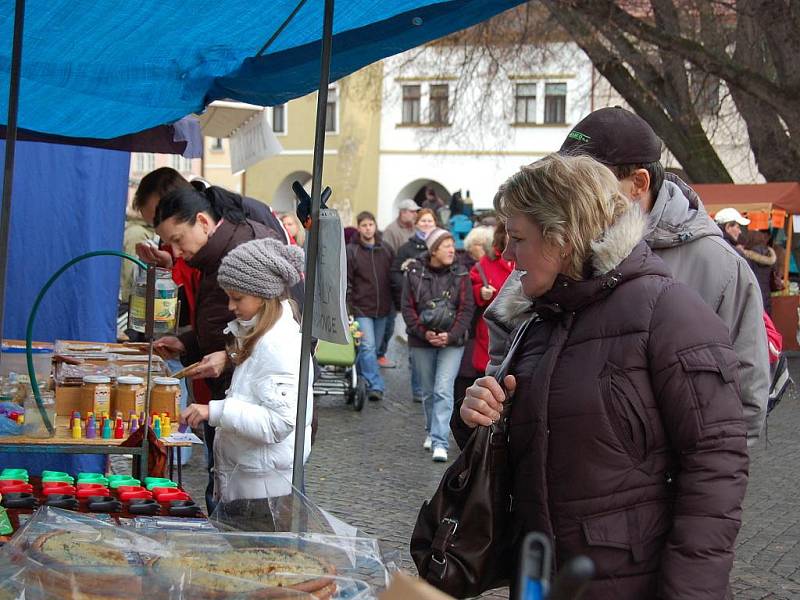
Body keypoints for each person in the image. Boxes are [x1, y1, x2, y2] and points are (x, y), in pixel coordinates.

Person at [458, 154, 748, 599]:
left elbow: (716, 467)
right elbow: (525, 452)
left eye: (517, 238)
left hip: (635, 585)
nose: (506, 254)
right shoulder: (539, 320)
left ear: (561, 240)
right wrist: (477, 417)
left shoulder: (668, 312)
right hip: (545, 579)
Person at [479, 107, 769, 446]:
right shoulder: (554, 245)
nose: (569, 191)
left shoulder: (718, 266)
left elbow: (744, 406)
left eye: (586, 177)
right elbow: (503, 351)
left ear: (638, 183)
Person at [152, 186, 278, 511]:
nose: (176, 252)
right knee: (225, 499)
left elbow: (278, 331)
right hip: (233, 405)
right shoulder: (214, 254)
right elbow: (225, 325)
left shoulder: (243, 249)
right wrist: (188, 342)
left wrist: (230, 356)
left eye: (178, 240)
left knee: (251, 519)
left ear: (203, 222)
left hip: (259, 427)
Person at [181, 237, 312, 502]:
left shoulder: (277, 343)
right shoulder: (259, 336)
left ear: (263, 296)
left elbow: (280, 422)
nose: (231, 307)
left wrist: (214, 410)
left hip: (263, 489)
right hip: (251, 479)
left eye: (237, 298)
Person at [402, 228, 474, 462]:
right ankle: (431, 431)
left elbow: (466, 310)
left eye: (453, 245)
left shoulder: (461, 273)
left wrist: (450, 336)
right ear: (433, 249)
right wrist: (425, 333)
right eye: (446, 246)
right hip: (421, 341)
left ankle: (440, 441)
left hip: (453, 342)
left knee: (443, 389)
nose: (452, 250)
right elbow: (407, 308)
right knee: (428, 390)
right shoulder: (413, 271)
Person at [391, 208, 438, 403]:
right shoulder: (407, 248)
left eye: (430, 221)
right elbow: (394, 272)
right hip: (416, 304)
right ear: (417, 224)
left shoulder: (442, 245)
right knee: (417, 346)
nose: (427, 224)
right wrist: (410, 288)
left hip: (438, 305)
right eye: (423, 221)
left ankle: (433, 385)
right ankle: (419, 388)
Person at [346, 211, 394, 401]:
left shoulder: (386, 249)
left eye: (370, 225)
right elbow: (347, 280)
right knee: (368, 347)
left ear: (375, 226)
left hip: (383, 307)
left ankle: (358, 379)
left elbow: (393, 278)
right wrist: (349, 306)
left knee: (371, 349)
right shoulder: (352, 251)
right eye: (364, 225)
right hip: (361, 308)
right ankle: (376, 385)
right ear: (359, 228)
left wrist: (395, 304)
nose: (368, 228)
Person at [452, 225, 494, 406]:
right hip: (469, 328)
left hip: (481, 329)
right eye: (478, 245)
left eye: (484, 244)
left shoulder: (489, 264)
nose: (483, 249)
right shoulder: (465, 265)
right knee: (465, 373)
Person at [469, 221, 513, 374]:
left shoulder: (531, 258)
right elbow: (472, 284)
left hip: (522, 328)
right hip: (491, 333)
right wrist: (480, 292)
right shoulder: (488, 261)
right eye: (510, 232)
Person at [741, 230, 777, 315]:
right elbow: (775, 273)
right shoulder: (769, 253)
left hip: (753, 294)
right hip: (766, 295)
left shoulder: (746, 254)